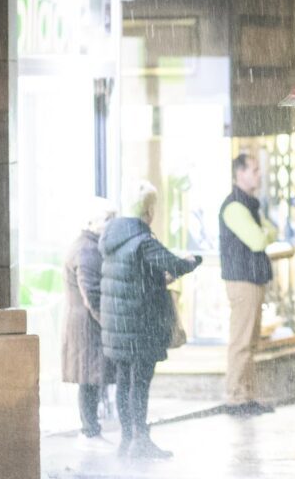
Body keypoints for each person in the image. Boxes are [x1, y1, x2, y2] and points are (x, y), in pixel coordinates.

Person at [99, 180, 202, 458]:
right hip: (140, 325)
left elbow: (132, 275)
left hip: (118, 325)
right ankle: (140, 440)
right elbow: (174, 264)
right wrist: (193, 260)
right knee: (140, 382)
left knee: (123, 381)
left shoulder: (111, 237)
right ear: (148, 211)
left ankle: (127, 439)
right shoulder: (143, 241)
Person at [218, 153, 278, 416]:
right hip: (242, 280)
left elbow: (272, 232)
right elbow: (258, 240)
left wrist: (264, 233)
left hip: (252, 277)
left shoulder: (249, 204)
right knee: (242, 341)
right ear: (239, 174)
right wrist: (264, 234)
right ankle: (234, 396)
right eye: (254, 170)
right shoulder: (234, 206)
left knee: (251, 341)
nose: (259, 174)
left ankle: (246, 394)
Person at [61, 198, 117, 440]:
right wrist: (108, 322)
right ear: (92, 223)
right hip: (88, 326)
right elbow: (92, 293)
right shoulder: (88, 250)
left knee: (91, 377)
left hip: (85, 324)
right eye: (108, 220)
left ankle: (91, 428)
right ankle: (90, 430)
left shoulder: (88, 246)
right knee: (90, 378)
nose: (112, 225)